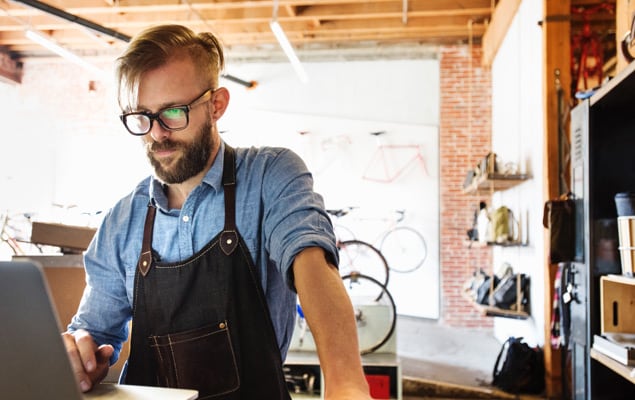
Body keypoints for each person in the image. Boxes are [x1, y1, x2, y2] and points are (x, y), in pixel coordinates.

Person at [62, 24, 371, 399]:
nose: (157, 133)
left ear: (216, 105)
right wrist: (78, 355)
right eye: (142, 116)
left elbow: (312, 264)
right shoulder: (121, 221)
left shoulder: (269, 176)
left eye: (173, 112)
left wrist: (346, 384)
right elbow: (94, 332)